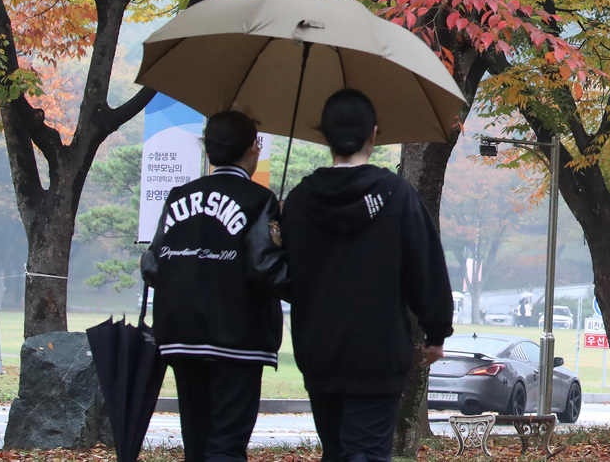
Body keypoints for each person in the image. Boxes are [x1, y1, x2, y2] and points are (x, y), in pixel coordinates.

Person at [282, 89, 453, 462]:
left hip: (319, 350)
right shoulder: (397, 196)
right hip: (379, 351)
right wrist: (435, 331)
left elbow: (285, 274)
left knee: (337, 450)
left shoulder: (298, 202)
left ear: (322, 134)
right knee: (368, 451)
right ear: (374, 134)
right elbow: (425, 266)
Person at [141, 111, 288, 462]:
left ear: (208, 150)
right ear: (253, 148)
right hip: (237, 337)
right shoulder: (259, 201)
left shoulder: (178, 197)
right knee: (227, 443)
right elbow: (265, 268)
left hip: (179, 334)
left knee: (197, 441)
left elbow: (152, 265)